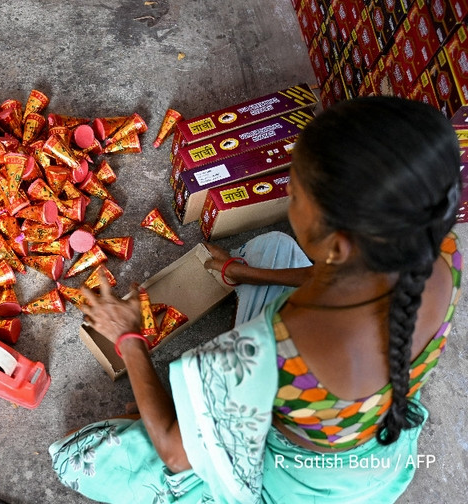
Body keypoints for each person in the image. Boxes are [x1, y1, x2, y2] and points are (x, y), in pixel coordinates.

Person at [49, 96, 463, 503]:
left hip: (293, 484)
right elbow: (344, 277)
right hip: (377, 451)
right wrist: (248, 274)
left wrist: (129, 339)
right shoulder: (442, 251)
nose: (287, 195)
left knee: (79, 457)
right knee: (269, 249)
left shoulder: (270, 349)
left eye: (295, 193)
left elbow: (176, 454)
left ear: (338, 244)